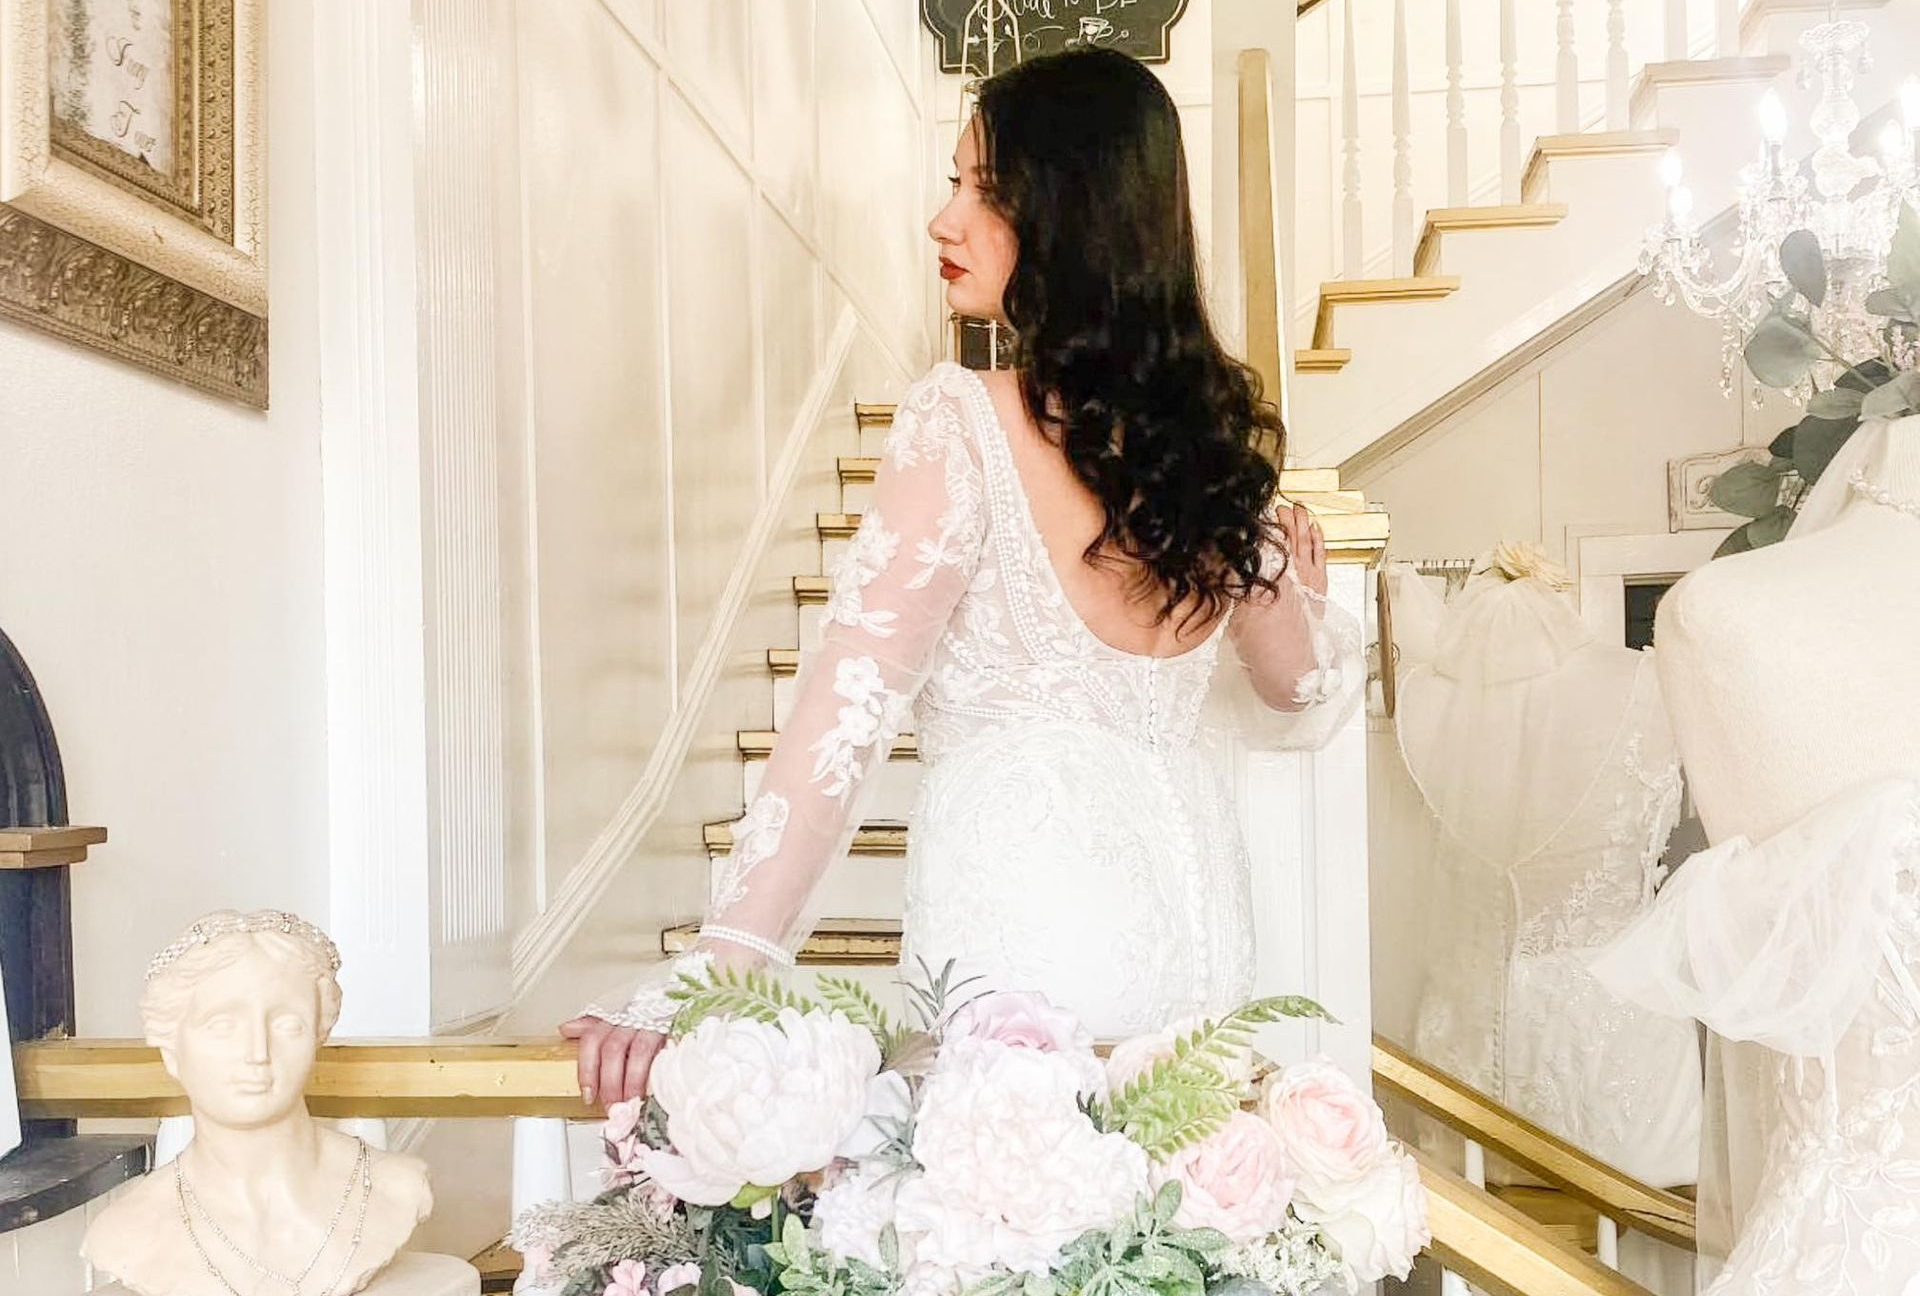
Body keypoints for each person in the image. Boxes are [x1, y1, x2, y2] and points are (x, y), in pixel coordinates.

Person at [563, 48, 1363, 1104]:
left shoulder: (963, 420)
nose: (943, 220)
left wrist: (724, 959)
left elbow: (848, 702)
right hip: (1200, 964)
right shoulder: (1204, 459)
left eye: (982, 188)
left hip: (1025, 974)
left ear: (1070, 213)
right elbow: (1299, 684)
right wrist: (1292, 586)